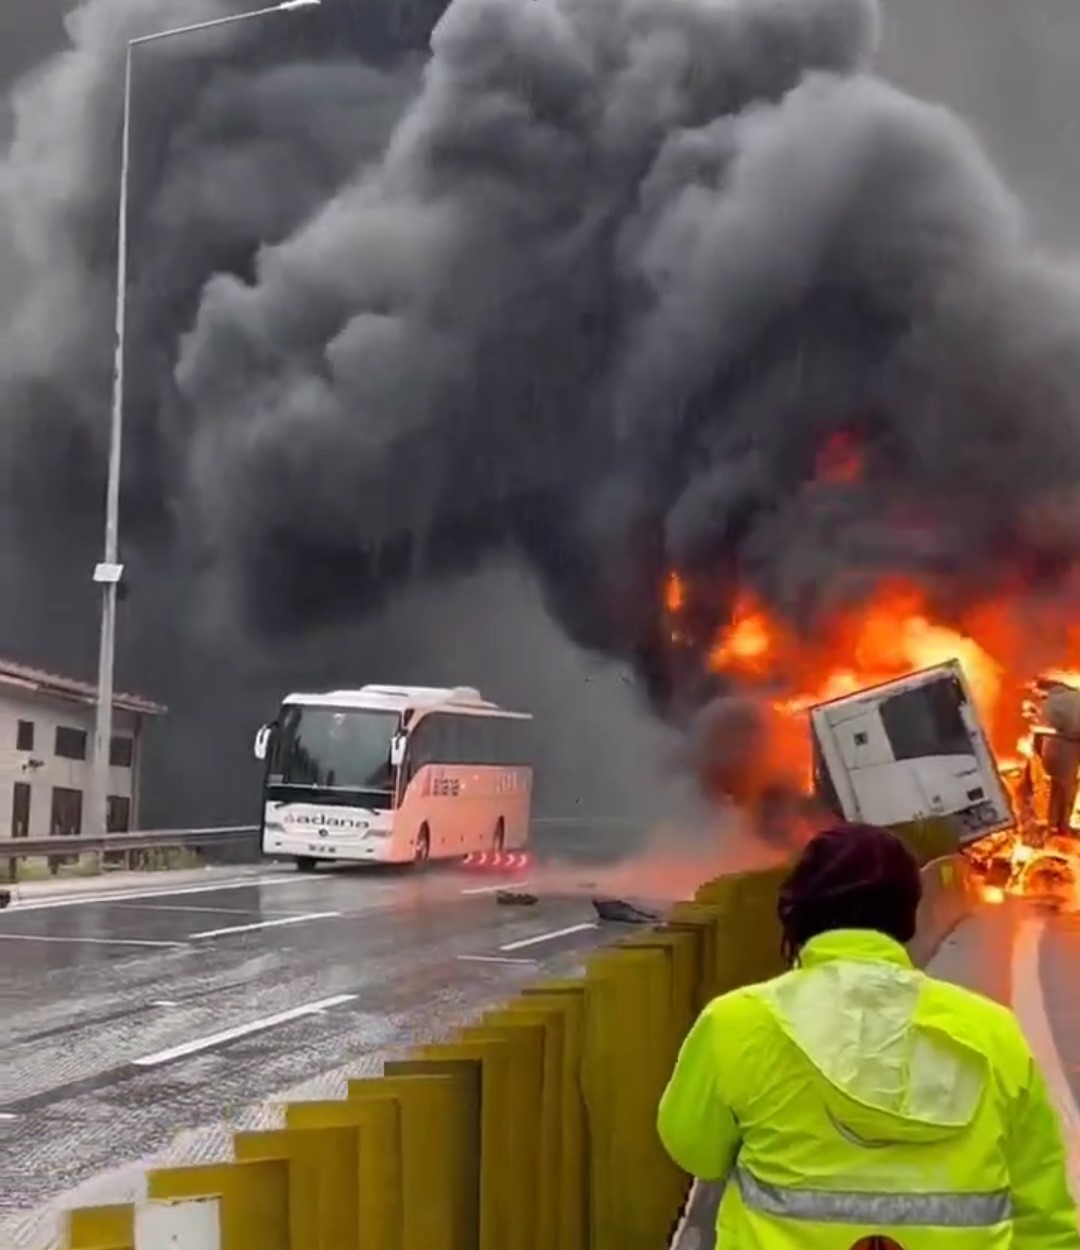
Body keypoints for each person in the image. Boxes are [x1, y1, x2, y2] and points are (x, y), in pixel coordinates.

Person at [657, 822, 1078, 1249]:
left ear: (795, 914)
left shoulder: (737, 1022)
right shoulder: (992, 1033)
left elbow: (696, 1150)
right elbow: (1043, 1214)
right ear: (910, 916)